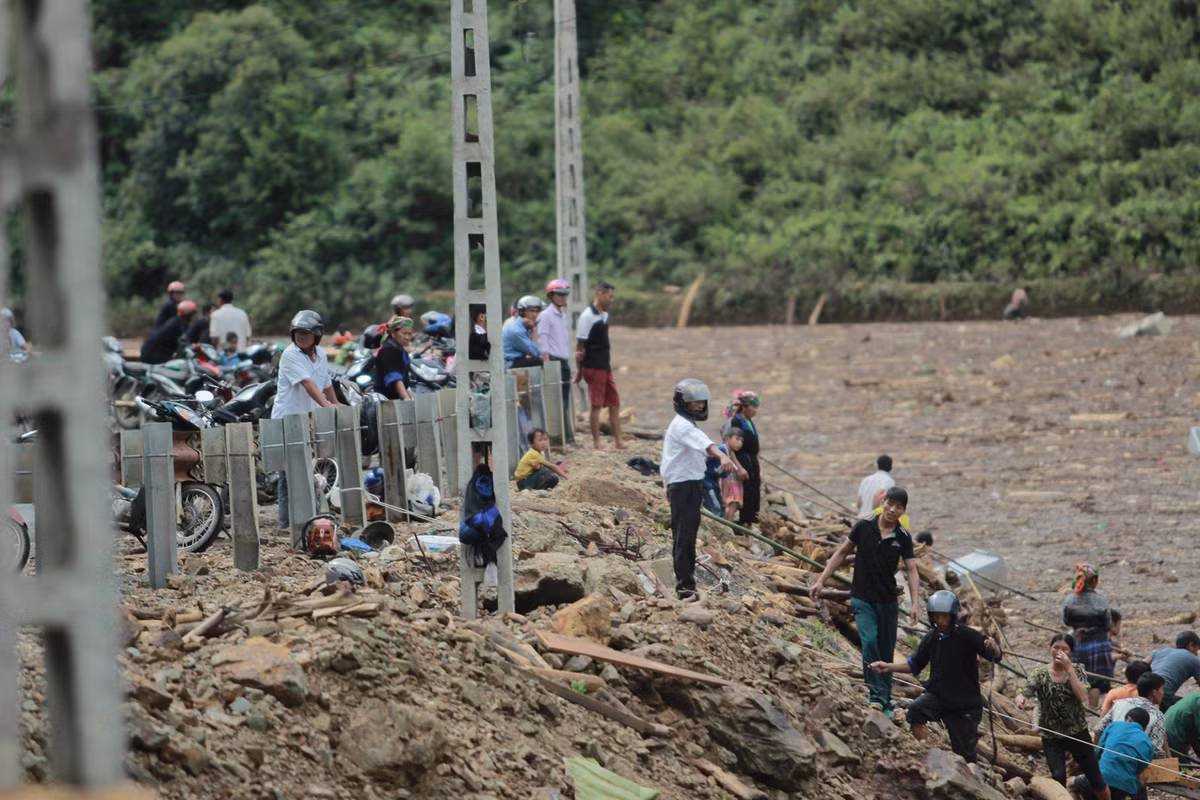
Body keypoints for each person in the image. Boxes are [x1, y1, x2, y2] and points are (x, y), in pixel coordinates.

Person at [811, 486, 920, 717]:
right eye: (890, 503)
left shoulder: (903, 537)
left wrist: (915, 604)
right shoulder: (863, 526)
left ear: (903, 511)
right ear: (883, 502)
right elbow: (841, 553)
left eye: (898, 507)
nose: (892, 509)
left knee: (885, 651)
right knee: (869, 643)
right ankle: (876, 697)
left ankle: (885, 698)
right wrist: (821, 580)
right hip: (862, 598)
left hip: (888, 601)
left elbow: (911, 570)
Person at [869, 590, 1002, 765]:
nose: (940, 620)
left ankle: (971, 782)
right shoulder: (930, 639)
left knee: (964, 754)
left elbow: (995, 656)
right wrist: (887, 667)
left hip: (965, 705)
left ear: (952, 615)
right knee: (916, 711)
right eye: (936, 616)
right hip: (938, 697)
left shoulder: (968, 635)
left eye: (944, 616)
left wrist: (994, 647)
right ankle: (926, 758)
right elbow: (913, 664)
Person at [660, 379, 744, 601]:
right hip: (685, 487)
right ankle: (685, 587)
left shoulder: (683, 424)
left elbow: (669, 459)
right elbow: (705, 443)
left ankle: (686, 584)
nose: (699, 406)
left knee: (686, 534)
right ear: (683, 404)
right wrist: (723, 455)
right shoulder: (682, 426)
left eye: (701, 402)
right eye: (693, 403)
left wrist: (665, 482)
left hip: (685, 485)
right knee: (685, 537)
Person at [1018, 633, 1110, 799]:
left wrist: (1069, 669)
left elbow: (1082, 696)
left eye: (1064, 649)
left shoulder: (1078, 670)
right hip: (1051, 735)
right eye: (1056, 647)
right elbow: (1025, 690)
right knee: (1058, 777)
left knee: (1096, 780)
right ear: (1050, 648)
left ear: (1071, 652)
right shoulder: (1040, 673)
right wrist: (1021, 698)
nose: (1059, 651)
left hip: (1077, 732)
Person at [272, 310, 339, 535]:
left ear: (317, 335)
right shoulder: (291, 355)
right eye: (298, 333)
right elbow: (309, 384)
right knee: (287, 473)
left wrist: (335, 403)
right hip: (287, 419)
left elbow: (325, 381)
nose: (301, 336)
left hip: (304, 420)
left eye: (306, 333)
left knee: (302, 470)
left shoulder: (319, 354)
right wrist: (326, 405)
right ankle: (285, 523)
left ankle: (304, 517)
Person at [575, 281, 624, 450]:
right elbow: (580, 347)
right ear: (599, 294)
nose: (612, 300)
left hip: (604, 365)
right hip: (593, 366)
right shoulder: (587, 316)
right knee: (596, 405)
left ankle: (619, 440)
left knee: (614, 402)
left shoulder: (604, 315)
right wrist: (579, 371)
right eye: (609, 296)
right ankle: (597, 442)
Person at [1064, 562, 1118, 707]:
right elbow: (1108, 624)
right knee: (1096, 683)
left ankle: (1080, 709)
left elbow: (1067, 621)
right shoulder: (1101, 599)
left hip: (1078, 643)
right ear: (1094, 580)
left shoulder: (1070, 599)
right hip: (1099, 644)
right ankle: (1093, 709)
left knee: (1079, 677)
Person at [1076, 706, 1154, 800]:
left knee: (1073, 784)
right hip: (1125, 786)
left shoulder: (1114, 725)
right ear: (1144, 728)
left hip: (1101, 780)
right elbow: (1140, 768)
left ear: (1129, 719)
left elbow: (1098, 752)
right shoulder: (1148, 742)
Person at [1093, 672, 1168, 758]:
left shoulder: (1119, 704)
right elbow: (1155, 751)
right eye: (1162, 689)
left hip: (1109, 756)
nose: (1163, 693)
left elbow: (1098, 731)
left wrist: (1097, 756)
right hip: (1134, 763)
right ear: (1154, 692)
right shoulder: (1157, 715)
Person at [537, 278, 573, 440]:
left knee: (564, 400)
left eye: (565, 295)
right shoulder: (545, 316)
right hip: (553, 361)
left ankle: (565, 435)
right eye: (559, 295)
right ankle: (558, 437)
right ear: (551, 296)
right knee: (555, 401)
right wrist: (547, 364)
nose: (563, 298)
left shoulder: (563, 316)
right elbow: (542, 340)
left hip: (563, 362)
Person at [725, 390, 762, 526]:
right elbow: (731, 445)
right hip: (742, 459)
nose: (756, 410)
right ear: (746, 407)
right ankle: (743, 522)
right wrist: (739, 467)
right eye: (754, 407)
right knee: (744, 492)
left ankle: (751, 520)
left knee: (754, 490)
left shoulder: (749, 421)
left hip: (752, 459)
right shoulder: (737, 421)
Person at [1149, 631, 1200, 710]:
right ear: (1191, 646)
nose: (1196, 654)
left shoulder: (1161, 651)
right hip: (1162, 691)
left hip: (1143, 688)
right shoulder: (1193, 658)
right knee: (1192, 707)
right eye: (1197, 650)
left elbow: (1141, 665)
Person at [140, 300, 197, 364]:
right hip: (153, 354)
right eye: (194, 313)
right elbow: (182, 343)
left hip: (153, 352)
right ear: (189, 315)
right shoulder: (178, 324)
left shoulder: (179, 322)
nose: (195, 316)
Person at [374, 316, 414, 401]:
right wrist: (406, 398)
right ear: (393, 332)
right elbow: (394, 377)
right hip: (387, 399)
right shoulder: (389, 350)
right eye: (404, 333)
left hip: (395, 397)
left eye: (409, 334)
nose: (407, 337)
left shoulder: (399, 349)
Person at [503, 296, 543, 369]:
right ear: (522, 312)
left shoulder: (523, 326)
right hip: (508, 364)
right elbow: (535, 353)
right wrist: (534, 330)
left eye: (537, 311)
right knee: (537, 361)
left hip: (517, 360)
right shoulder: (516, 330)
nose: (535, 315)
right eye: (531, 311)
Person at [719, 426, 746, 522]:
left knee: (733, 504)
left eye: (742, 441)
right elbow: (723, 476)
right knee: (732, 503)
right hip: (728, 481)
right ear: (727, 438)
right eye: (737, 439)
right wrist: (724, 493)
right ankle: (727, 527)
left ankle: (727, 527)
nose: (740, 443)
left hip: (732, 480)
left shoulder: (730, 452)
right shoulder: (723, 450)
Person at [1165, 690, 1200, 759]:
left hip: (1170, 728)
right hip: (1172, 734)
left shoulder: (1196, 698)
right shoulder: (1198, 702)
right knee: (1184, 768)